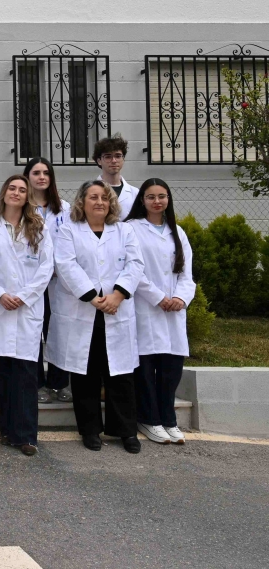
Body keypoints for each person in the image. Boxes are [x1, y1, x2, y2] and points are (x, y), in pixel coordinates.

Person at [48, 181, 145, 454]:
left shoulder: (124, 230)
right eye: (93, 197)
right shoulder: (69, 231)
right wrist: (92, 296)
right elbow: (66, 265)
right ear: (82, 201)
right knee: (85, 372)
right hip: (83, 308)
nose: (100, 202)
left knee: (120, 373)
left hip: (116, 308)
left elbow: (135, 264)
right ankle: (90, 430)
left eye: (104, 197)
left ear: (111, 203)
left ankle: (126, 431)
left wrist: (118, 295)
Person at [0, 176, 54, 456]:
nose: (16, 193)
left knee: (25, 373)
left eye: (22, 190)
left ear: (27, 197)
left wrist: (24, 296)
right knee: (4, 372)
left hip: (27, 308)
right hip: (0, 307)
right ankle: (7, 429)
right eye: (12, 188)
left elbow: (46, 267)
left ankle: (26, 435)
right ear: (4, 193)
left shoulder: (39, 228)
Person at [126, 179, 194, 446]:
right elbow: (133, 270)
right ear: (142, 200)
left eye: (162, 196)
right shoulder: (131, 228)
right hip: (145, 306)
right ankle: (148, 419)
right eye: (151, 197)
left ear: (168, 199)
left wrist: (180, 298)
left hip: (173, 310)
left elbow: (186, 274)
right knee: (145, 369)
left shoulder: (177, 231)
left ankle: (169, 420)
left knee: (170, 369)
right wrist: (158, 297)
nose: (157, 201)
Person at [24, 158, 73, 404]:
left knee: (58, 331)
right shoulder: (22, 206)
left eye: (46, 173)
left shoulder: (64, 208)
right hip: (32, 279)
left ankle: (59, 383)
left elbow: (71, 240)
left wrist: (58, 266)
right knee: (34, 331)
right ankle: (37, 384)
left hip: (59, 280)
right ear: (27, 176)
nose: (41, 177)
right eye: (36, 172)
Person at [93, 136, 136, 219]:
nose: (114, 160)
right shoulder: (88, 192)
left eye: (118, 156)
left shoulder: (134, 193)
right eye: (108, 157)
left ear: (123, 159)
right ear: (99, 161)